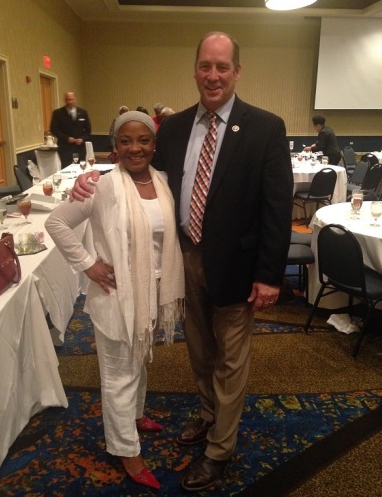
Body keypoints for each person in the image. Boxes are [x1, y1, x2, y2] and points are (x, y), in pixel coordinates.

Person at [70, 31, 293, 491]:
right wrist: (87, 185)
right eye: (205, 66)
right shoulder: (171, 128)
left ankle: (219, 450)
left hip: (236, 266)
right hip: (183, 259)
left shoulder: (266, 127)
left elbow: (277, 206)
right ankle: (209, 416)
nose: (213, 75)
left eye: (222, 67)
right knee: (199, 351)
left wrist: (269, 275)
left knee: (230, 360)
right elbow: (140, 175)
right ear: (195, 69)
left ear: (236, 72)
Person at [45, 111, 184, 490]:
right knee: (119, 375)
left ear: (155, 145)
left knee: (138, 360)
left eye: (143, 140)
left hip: (153, 293)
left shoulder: (165, 181)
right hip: (116, 295)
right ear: (115, 147)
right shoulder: (101, 188)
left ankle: (135, 416)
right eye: (126, 141)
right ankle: (126, 449)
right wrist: (88, 264)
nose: (135, 148)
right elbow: (56, 222)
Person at [50, 92, 91, 168]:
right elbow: (54, 129)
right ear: (65, 100)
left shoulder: (83, 112)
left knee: (81, 169)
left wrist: (82, 139)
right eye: (67, 100)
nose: (69, 102)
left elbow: (88, 130)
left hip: (80, 148)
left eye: (71, 100)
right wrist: (66, 138)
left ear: (75, 100)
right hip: (65, 148)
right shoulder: (58, 113)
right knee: (66, 169)